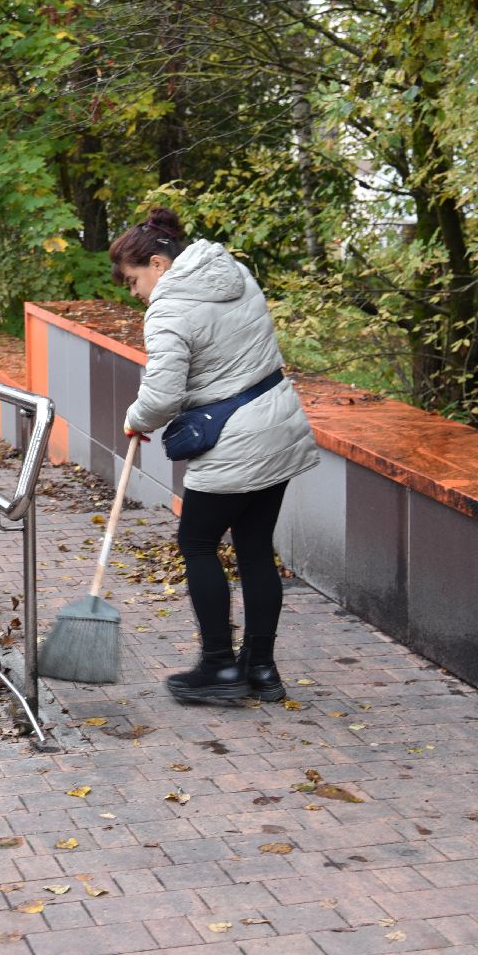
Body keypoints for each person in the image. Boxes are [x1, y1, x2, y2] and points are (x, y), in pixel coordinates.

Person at [113, 207, 319, 705]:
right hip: (278, 425)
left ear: (157, 264)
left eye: (132, 279)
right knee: (253, 548)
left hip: (234, 442)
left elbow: (162, 395)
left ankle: (218, 667)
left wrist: (136, 418)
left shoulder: (168, 308)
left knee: (198, 542)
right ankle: (262, 669)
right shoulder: (234, 273)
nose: (134, 292)